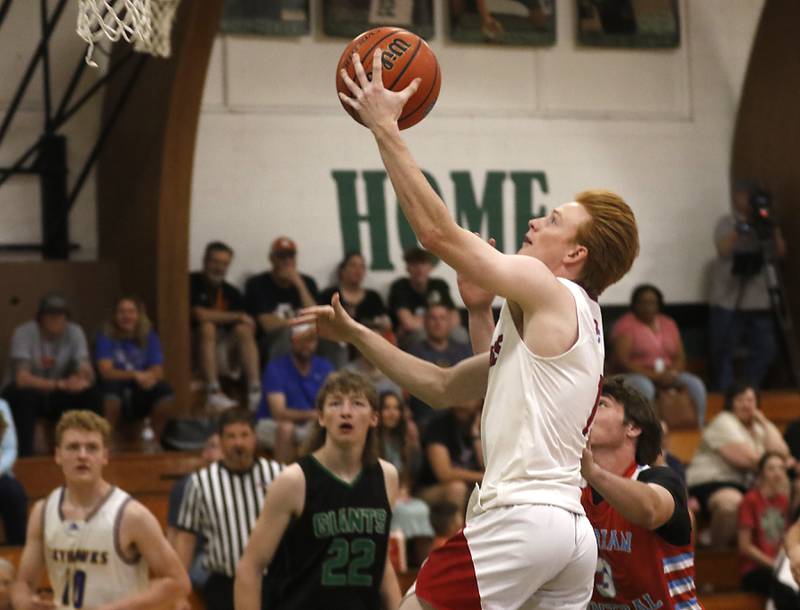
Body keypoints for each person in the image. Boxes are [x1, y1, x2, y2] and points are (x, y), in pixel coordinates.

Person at [299, 50, 639, 609]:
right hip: (569, 533)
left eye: (552, 220)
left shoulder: (546, 287)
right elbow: (442, 385)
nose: (534, 222)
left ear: (576, 252)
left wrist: (384, 126)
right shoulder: (574, 319)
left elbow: (435, 233)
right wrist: (364, 334)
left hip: (520, 519)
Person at [235, 371, 402, 610]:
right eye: (335, 403)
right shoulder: (294, 480)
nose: (346, 412)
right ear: (321, 418)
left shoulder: (387, 476)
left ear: (375, 418)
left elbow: (381, 559)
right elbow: (250, 567)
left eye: (357, 403)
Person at [11, 410, 190, 608]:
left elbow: (178, 582)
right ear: (58, 455)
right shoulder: (43, 511)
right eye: (73, 447)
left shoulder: (131, 515)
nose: (82, 455)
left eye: (92, 448)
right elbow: (24, 583)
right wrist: (25, 603)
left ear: (105, 456)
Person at [580, 376, 700, 609]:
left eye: (601, 404)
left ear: (633, 427)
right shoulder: (574, 489)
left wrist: (593, 472)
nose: (588, 410)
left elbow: (650, 510)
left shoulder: (660, 479)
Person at [174, 408, 282, 610]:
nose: (238, 443)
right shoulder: (201, 483)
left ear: (255, 438)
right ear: (221, 441)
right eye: (231, 436)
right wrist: (180, 593)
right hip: (224, 583)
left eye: (244, 435)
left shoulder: (278, 474)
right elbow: (185, 539)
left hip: (273, 581)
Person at [687, 382, 790, 547]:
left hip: (744, 485)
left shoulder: (758, 426)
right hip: (712, 483)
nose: (746, 405)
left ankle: (776, 550)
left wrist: (763, 421)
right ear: (731, 403)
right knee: (732, 504)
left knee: (784, 486)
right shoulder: (724, 421)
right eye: (740, 399)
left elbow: (782, 452)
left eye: (750, 400)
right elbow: (748, 460)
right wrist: (779, 462)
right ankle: (715, 555)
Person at [708, 179, 786, 391]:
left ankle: (750, 390)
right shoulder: (728, 222)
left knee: (766, 349)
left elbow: (779, 253)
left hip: (759, 299)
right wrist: (742, 229)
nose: (748, 199)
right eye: (745, 194)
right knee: (723, 348)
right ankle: (726, 392)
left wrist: (772, 228)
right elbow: (723, 249)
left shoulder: (766, 222)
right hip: (729, 299)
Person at [2, 293, 102, 456]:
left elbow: (85, 368)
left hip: (59, 393)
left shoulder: (74, 332)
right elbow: (22, 379)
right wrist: (60, 384)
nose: (56, 319)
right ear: (40, 317)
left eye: (60, 315)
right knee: (23, 397)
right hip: (26, 392)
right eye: (51, 315)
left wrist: (82, 377)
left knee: (91, 395)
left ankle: (90, 450)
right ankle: (24, 457)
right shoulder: (24, 332)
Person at [611, 284, 708, 426]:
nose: (647, 307)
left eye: (652, 302)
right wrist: (654, 376)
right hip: (634, 375)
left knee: (695, 384)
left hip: (668, 373)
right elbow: (623, 360)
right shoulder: (626, 325)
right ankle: (649, 429)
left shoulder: (668, 323)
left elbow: (680, 357)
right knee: (645, 387)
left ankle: (698, 426)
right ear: (634, 304)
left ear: (659, 304)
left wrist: (673, 373)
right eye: (643, 302)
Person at [190, 241, 262, 411]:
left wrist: (244, 321)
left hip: (225, 352)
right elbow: (199, 314)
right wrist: (237, 315)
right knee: (208, 327)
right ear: (205, 261)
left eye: (224, 263)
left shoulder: (232, 292)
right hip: (196, 348)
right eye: (215, 261)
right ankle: (213, 391)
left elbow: (248, 324)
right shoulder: (191, 282)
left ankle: (255, 391)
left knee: (244, 330)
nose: (219, 267)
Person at [95, 295, 174, 448]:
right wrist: (135, 375)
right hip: (115, 383)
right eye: (122, 312)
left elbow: (158, 370)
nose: (127, 316)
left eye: (131, 312)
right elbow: (106, 371)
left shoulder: (149, 336)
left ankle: (154, 440)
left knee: (165, 392)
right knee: (111, 393)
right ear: (114, 315)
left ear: (138, 315)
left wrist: (148, 377)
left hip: (141, 385)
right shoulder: (105, 336)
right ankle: (106, 442)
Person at [255, 325, 335, 463]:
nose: (307, 345)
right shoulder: (276, 367)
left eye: (311, 341)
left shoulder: (325, 366)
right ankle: (285, 478)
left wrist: (318, 416)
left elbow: (334, 400)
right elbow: (278, 413)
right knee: (287, 428)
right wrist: (313, 415)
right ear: (292, 341)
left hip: (311, 423)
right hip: (271, 423)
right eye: (302, 340)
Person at [378, 391, 433, 565]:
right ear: (377, 412)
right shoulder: (369, 441)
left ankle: (422, 569)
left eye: (396, 408)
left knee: (421, 508)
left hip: (400, 495)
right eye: (386, 408)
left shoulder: (404, 440)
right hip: (379, 496)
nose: (392, 412)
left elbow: (407, 477)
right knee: (403, 510)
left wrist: (403, 490)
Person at [245, 236, 319, 361]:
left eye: (291, 256)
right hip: (269, 341)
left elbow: (316, 317)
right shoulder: (258, 283)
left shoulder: (307, 282)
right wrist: (299, 324)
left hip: (305, 337)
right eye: (281, 256)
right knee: (285, 333)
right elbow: (267, 324)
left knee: (332, 339)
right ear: (271, 259)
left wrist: (299, 285)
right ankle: (280, 378)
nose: (287, 261)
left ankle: (335, 379)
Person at [166, 432, 223, 592]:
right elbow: (173, 536)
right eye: (212, 447)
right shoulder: (188, 485)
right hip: (200, 558)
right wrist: (173, 581)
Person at [406, 303, 472, 424]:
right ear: (425, 322)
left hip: (461, 418)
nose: (438, 323)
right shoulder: (414, 353)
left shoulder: (464, 351)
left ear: (450, 322)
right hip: (426, 418)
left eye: (442, 318)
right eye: (433, 318)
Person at [416, 400, 484, 513]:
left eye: (467, 398)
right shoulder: (438, 425)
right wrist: (484, 477)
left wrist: (476, 436)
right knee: (457, 489)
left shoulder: (484, 425)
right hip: (432, 488)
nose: (461, 403)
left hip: (472, 486)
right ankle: (457, 530)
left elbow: (486, 466)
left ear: (479, 402)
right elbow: (445, 474)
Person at [737, 451, 790, 595]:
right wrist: (774, 565)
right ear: (761, 474)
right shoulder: (750, 500)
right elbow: (745, 546)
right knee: (786, 590)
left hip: (780, 567)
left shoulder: (784, 501)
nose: (777, 473)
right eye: (771, 468)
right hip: (755, 569)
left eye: (781, 468)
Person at [388, 247, 462, 347]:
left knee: (460, 334)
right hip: (410, 336)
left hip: (439, 331)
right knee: (421, 336)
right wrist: (439, 322)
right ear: (407, 268)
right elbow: (409, 323)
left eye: (423, 263)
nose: (419, 269)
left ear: (430, 267)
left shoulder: (439, 285)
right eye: (415, 264)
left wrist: (423, 321)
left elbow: (454, 319)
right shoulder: (400, 287)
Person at [319, 252, 391, 331]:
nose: (358, 270)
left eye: (362, 266)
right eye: (353, 265)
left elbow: (387, 324)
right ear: (342, 270)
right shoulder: (329, 294)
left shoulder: (373, 297)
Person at [0, 398, 27, 545]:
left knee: (13, 493)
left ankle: (17, 548)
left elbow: (10, 448)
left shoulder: (1, 405)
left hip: (0, 474)